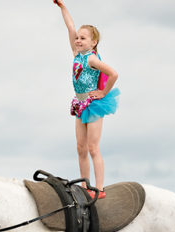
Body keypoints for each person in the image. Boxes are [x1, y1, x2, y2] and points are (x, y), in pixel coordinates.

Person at [54, 0, 119, 199]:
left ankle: (99, 188)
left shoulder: (92, 59)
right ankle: (85, 185)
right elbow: (70, 27)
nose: (78, 40)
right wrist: (63, 7)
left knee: (92, 147)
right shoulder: (76, 54)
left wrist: (103, 92)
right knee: (80, 148)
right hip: (79, 103)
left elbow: (114, 73)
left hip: (94, 104)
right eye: (77, 38)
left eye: (83, 38)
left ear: (93, 42)